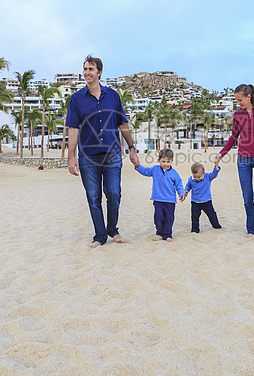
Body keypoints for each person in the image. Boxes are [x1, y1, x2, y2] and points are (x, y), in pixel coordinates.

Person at [66, 55, 139, 247]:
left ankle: (112, 229)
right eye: (85, 69)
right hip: (88, 157)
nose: (87, 72)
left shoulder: (113, 96)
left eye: (91, 69)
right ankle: (100, 235)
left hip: (112, 153)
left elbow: (122, 123)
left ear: (99, 72)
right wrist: (71, 157)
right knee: (93, 197)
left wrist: (132, 148)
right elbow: (73, 128)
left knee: (114, 193)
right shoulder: (76, 99)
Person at [215, 83, 254, 239]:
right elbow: (233, 137)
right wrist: (221, 154)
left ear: (248, 97)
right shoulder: (237, 115)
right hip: (243, 160)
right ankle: (251, 229)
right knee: (247, 197)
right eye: (236, 100)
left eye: (240, 100)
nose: (238, 103)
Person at [134, 148, 184, 242]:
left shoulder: (174, 174)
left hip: (170, 201)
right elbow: (145, 171)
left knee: (169, 218)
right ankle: (159, 233)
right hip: (158, 200)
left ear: (172, 161)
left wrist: (181, 194)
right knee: (158, 217)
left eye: (168, 161)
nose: (165, 164)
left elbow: (179, 185)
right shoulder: (155, 169)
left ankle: (167, 235)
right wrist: (138, 166)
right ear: (159, 160)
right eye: (163, 161)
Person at [184, 162, 222, 234]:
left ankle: (217, 226)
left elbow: (214, 174)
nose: (197, 178)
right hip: (195, 202)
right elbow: (188, 185)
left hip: (207, 201)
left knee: (212, 215)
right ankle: (195, 230)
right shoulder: (191, 179)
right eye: (195, 176)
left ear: (203, 173)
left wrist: (216, 166)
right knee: (194, 217)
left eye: (199, 177)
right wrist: (186, 190)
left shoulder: (207, 177)